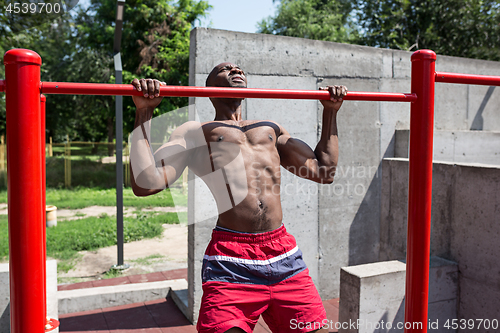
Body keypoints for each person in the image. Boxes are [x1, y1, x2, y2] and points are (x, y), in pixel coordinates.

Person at [130, 63, 347, 333]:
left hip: (283, 252)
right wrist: (145, 111)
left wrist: (330, 112)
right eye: (225, 68)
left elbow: (323, 171)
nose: (235, 68)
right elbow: (145, 183)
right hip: (231, 258)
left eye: (239, 67)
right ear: (209, 88)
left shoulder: (271, 129)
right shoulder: (195, 131)